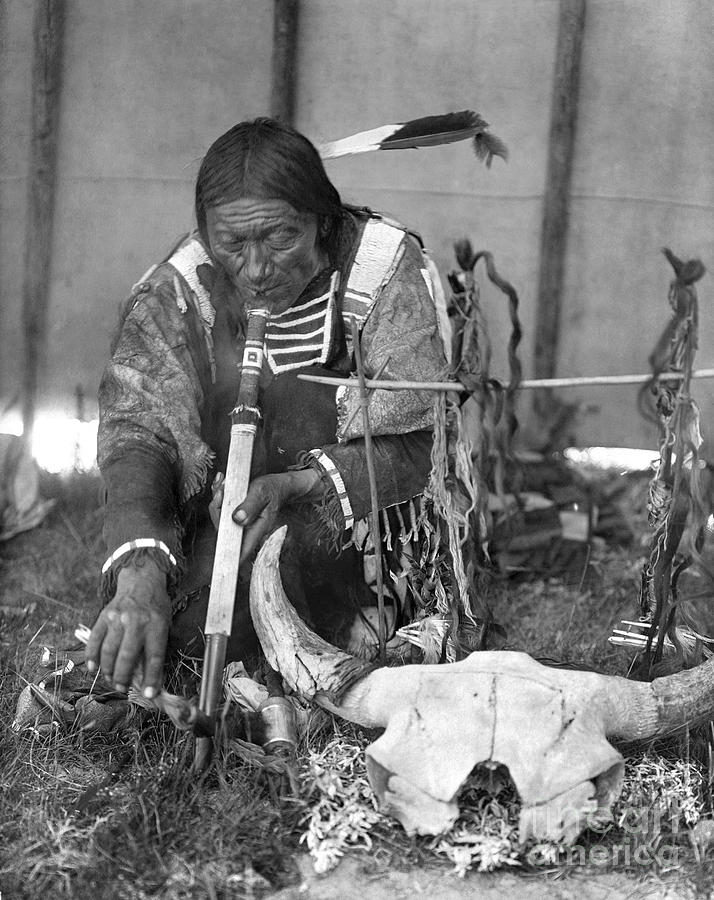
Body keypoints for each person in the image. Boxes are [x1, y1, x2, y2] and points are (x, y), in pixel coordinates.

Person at [85, 117, 449, 700]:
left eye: (280, 237)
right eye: (233, 244)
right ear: (206, 232)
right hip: (223, 510)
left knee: (270, 608)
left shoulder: (380, 271)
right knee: (186, 629)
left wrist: (299, 484)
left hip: (351, 520)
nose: (256, 270)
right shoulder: (182, 288)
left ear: (322, 220)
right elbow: (139, 428)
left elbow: (419, 442)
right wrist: (141, 567)